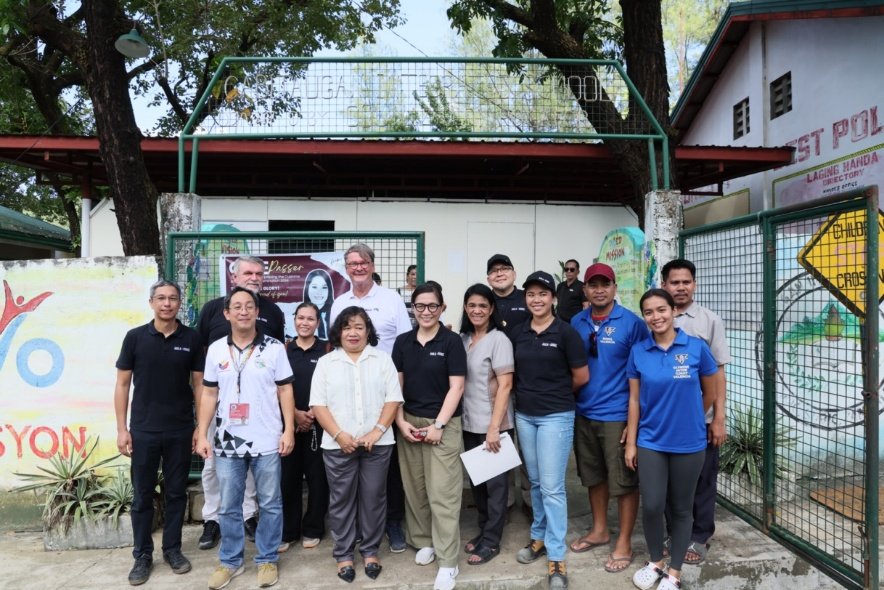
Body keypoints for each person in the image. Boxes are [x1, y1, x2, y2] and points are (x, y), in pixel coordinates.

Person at [195, 287, 295, 590]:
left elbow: (285, 389)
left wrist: (288, 429)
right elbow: (208, 393)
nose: (243, 311)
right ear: (227, 313)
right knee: (229, 505)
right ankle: (230, 561)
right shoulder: (216, 349)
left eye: (249, 306)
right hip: (227, 440)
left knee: (270, 503)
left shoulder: (274, 348)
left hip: (267, 438)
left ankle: (267, 559)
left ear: (257, 312)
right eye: (236, 306)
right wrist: (202, 433)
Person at [625, 288, 718, 590]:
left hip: (689, 443)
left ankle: (674, 573)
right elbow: (634, 400)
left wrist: (690, 418)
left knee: (681, 508)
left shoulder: (696, 348)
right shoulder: (639, 351)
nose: (656, 317)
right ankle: (656, 561)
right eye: (649, 312)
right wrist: (631, 442)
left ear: (673, 311)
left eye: (661, 310)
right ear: (644, 317)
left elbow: (711, 391)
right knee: (652, 505)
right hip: (651, 441)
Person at [114, 280, 204, 586]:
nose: (167, 303)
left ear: (180, 303)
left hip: (180, 430)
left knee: (176, 493)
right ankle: (142, 555)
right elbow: (122, 384)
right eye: (161, 298)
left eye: (173, 298)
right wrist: (122, 429)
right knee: (142, 496)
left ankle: (172, 550)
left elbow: (200, 385)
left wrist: (200, 428)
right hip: (143, 431)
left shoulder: (191, 338)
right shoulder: (135, 338)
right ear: (151, 302)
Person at [309, 306, 403, 584]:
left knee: (374, 498)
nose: (353, 332)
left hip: (378, 444)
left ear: (368, 331)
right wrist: (339, 435)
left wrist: (377, 431)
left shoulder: (382, 360)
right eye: (347, 327)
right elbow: (318, 404)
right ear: (339, 332)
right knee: (341, 501)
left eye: (359, 327)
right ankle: (344, 555)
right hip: (338, 445)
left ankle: (371, 551)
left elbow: (393, 399)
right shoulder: (326, 363)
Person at [330, 243, 412, 552]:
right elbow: (335, 346)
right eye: (352, 263)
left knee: (387, 467)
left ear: (372, 265)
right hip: (350, 395)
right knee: (352, 461)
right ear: (346, 268)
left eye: (363, 262)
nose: (358, 268)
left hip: (387, 392)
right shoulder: (340, 302)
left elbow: (405, 344)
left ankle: (392, 522)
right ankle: (354, 528)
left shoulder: (391, 299)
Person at [568, 263, 648, 573]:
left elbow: (642, 373)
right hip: (583, 411)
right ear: (585, 289)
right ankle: (600, 530)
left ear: (615, 288)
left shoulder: (632, 324)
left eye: (605, 284)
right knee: (593, 476)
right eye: (593, 285)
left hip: (617, 415)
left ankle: (624, 541)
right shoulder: (577, 322)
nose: (599, 290)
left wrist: (633, 423)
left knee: (624, 481)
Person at [511, 271, 589, 590]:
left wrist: (554, 395)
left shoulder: (566, 332)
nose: (537, 299)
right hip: (525, 416)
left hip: (556, 416)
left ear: (553, 298)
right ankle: (539, 537)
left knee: (553, 488)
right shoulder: (518, 332)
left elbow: (581, 377)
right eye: (531, 294)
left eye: (543, 293)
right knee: (536, 482)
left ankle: (556, 555)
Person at [393, 283, 467, 590]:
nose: (426, 311)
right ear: (412, 308)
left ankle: (448, 561)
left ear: (442, 308)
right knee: (416, 488)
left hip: (443, 424)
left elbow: (457, 387)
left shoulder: (451, 341)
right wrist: (400, 422)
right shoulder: (402, 342)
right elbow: (396, 387)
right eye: (420, 306)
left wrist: (439, 424)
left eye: (432, 306)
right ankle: (424, 541)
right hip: (410, 422)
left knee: (443, 493)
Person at [661, 259, 732, 565]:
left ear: (694, 284)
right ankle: (674, 533)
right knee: (668, 482)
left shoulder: (709, 321)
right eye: (674, 282)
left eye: (686, 282)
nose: (681, 287)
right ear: (664, 285)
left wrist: (718, 419)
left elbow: (718, 373)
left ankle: (700, 536)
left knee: (702, 480)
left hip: (701, 420)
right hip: (665, 420)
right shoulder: (655, 317)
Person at [459, 284, 514, 566]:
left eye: (483, 305)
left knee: (496, 487)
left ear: (492, 309)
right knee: (478, 484)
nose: (477, 310)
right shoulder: (462, 339)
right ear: (465, 308)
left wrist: (494, 428)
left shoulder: (499, 340)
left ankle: (492, 541)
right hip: (469, 423)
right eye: (472, 305)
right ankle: (484, 531)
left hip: (494, 425)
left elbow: (505, 385)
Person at [280, 302, 329, 552]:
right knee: (287, 479)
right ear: (294, 320)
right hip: (289, 425)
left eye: (310, 319)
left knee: (318, 479)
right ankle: (288, 531)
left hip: (319, 425)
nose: (305, 323)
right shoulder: (283, 351)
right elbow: (276, 387)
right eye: (301, 318)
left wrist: (313, 414)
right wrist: (296, 415)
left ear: (318, 323)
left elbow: (333, 386)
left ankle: (313, 528)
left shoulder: (328, 350)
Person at [486, 254, 529, 336]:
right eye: (494, 271)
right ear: (488, 280)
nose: (499, 274)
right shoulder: (483, 301)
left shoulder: (528, 298)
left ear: (514, 275)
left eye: (504, 269)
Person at [302, 269, 334, 341]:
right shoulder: (298, 315)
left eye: (324, 287)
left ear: (329, 290)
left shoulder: (336, 313)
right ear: (307, 289)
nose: (319, 292)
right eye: (314, 287)